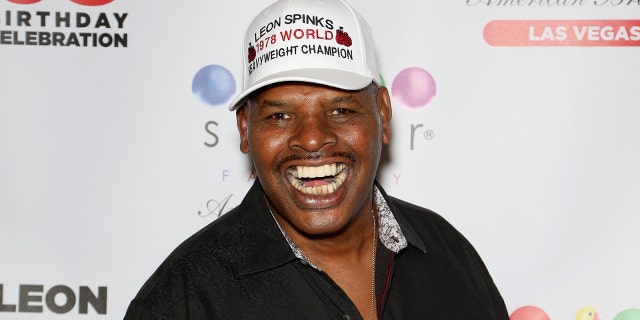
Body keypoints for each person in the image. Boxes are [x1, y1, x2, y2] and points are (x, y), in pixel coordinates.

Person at [124, 0, 510, 319]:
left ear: (383, 115)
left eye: (341, 110)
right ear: (245, 129)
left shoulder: (447, 252)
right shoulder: (184, 299)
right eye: (279, 115)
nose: (311, 137)